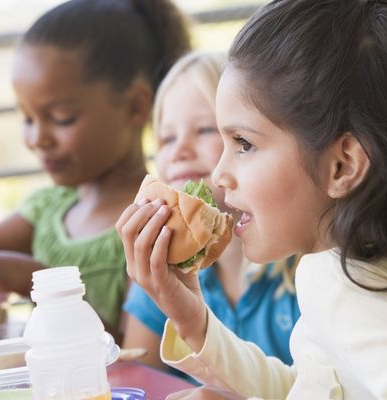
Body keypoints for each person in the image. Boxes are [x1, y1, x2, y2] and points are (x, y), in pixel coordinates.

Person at [116, 0, 387, 399]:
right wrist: (193, 320)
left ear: (342, 166)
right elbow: (312, 386)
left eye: (244, 142)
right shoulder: (378, 264)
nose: (220, 173)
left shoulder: (337, 280)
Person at [0, 0, 190, 341]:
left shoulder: (153, 223)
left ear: (135, 107)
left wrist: (40, 282)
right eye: (28, 118)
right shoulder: (46, 209)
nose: (36, 138)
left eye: (61, 118)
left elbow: (134, 353)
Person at [122, 51, 300, 376]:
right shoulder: (163, 262)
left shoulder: (306, 267)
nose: (178, 151)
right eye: (167, 137)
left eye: (204, 130)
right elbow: (138, 378)